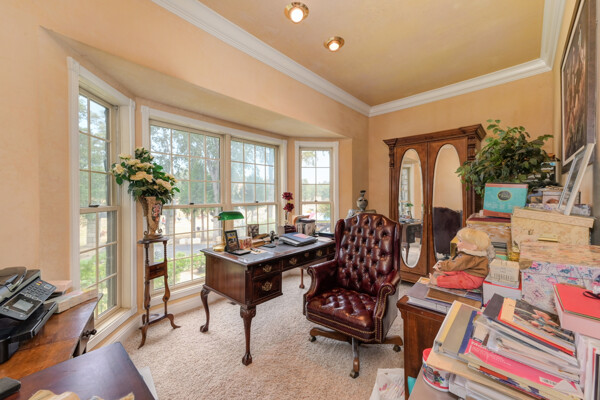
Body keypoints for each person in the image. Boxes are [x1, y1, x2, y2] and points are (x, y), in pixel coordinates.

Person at [429, 227, 493, 290]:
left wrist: (442, 266)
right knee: (456, 270)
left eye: (460, 241)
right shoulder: (477, 254)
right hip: (469, 273)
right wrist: (444, 266)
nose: (457, 243)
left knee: (456, 280)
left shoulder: (468, 257)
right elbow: (455, 260)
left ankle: (437, 281)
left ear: (473, 247)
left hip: (472, 279)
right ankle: (445, 272)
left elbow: (455, 264)